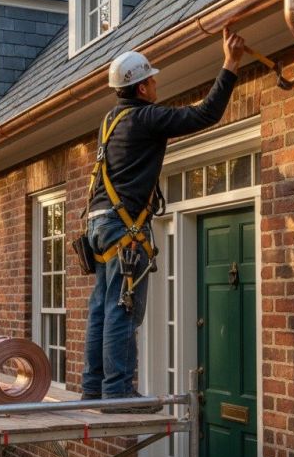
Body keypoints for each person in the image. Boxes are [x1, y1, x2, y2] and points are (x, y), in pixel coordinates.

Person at [82, 28, 245, 412]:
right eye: (151, 80)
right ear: (140, 88)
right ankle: (118, 393)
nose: (156, 85)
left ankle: (94, 387)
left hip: (99, 224)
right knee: (122, 307)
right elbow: (206, 113)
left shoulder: (111, 119)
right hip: (122, 228)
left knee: (102, 308)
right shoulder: (145, 118)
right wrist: (230, 64)